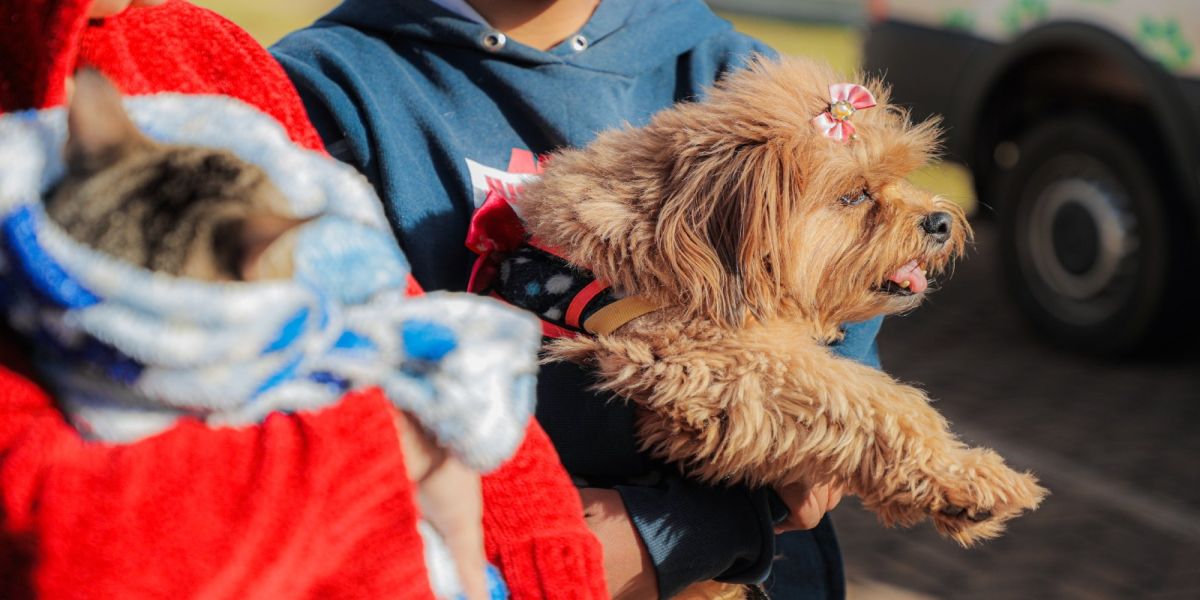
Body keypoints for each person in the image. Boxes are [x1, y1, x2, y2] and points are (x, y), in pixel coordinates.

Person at [272, 0, 883, 597]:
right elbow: (314, 409)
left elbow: (836, 408)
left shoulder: (746, 80)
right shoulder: (320, 86)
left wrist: (668, 537)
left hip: (750, 573)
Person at [0, 1, 606, 598]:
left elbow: (379, 296)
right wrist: (391, 438)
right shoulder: (331, 69)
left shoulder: (195, 47)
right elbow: (77, 544)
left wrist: (552, 571)